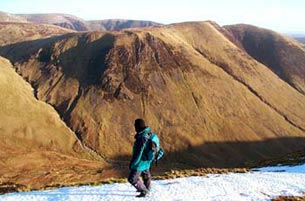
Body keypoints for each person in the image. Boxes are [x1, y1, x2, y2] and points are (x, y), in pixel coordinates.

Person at [128, 118, 153, 198]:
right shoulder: (148, 133)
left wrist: (133, 163)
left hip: (140, 162)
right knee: (146, 176)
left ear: (137, 126)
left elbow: (138, 152)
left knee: (132, 179)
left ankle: (144, 191)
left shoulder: (141, 138)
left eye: (135, 126)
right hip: (147, 160)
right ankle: (147, 189)